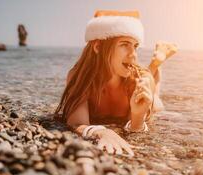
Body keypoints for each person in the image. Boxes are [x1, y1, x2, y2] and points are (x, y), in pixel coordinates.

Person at [55, 10, 177, 156]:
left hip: (146, 80)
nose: (133, 54)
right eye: (125, 44)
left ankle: (156, 63)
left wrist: (138, 117)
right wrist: (101, 132)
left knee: (156, 103)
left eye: (135, 46)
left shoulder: (138, 79)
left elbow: (137, 129)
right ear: (98, 47)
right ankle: (155, 63)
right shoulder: (80, 77)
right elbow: (76, 122)